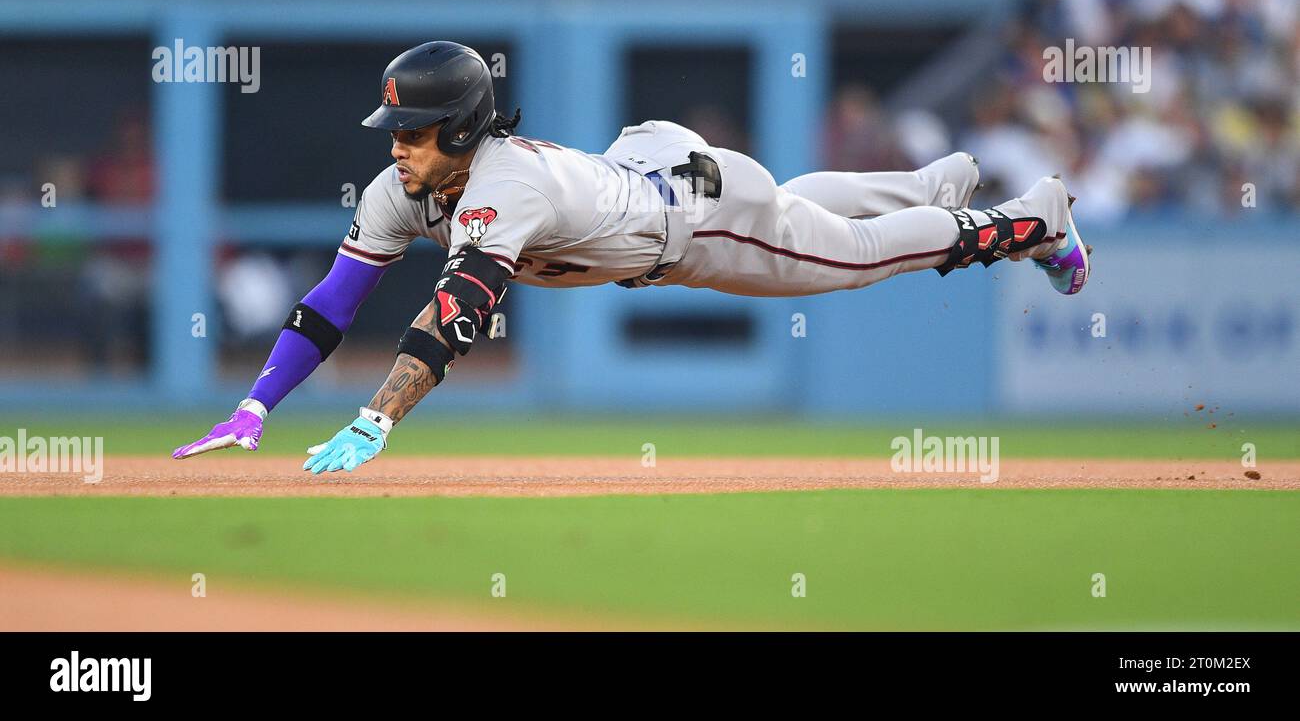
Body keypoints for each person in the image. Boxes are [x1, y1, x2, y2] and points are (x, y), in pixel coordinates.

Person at [173, 42, 1089, 473]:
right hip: (653, 167)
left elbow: (456, 315)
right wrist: (257, 405)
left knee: (848, 260)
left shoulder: (503, 187)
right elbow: (332, 304)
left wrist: (376, 420)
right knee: (797, 217)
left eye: (410, 130)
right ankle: (924, 185)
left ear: (457, 128)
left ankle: (1031, 219)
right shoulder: (400, 191)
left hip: (690, 219)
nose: (396, 145)